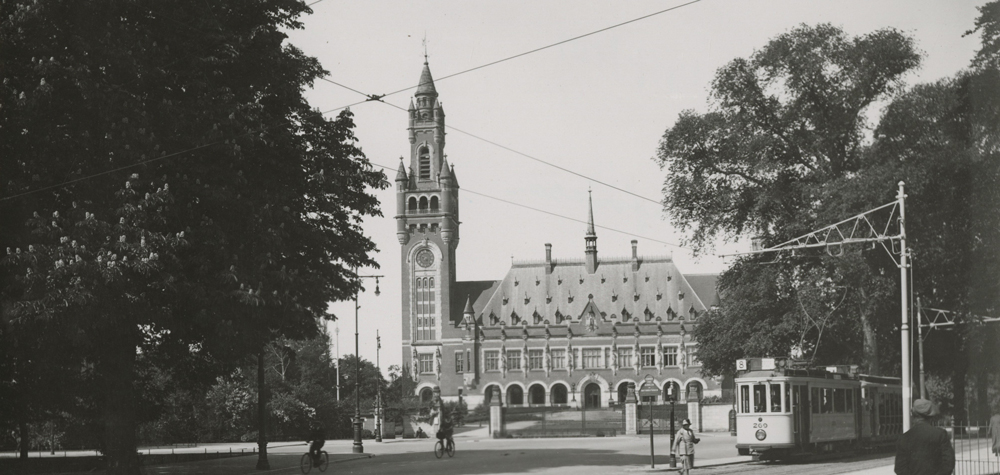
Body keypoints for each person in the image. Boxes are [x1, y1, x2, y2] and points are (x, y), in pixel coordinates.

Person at [894, 398, 955, 475]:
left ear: (912, 415)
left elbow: (899, 468)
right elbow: (948, 463)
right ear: (931, 416)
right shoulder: (940, 434)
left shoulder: (904, 438)